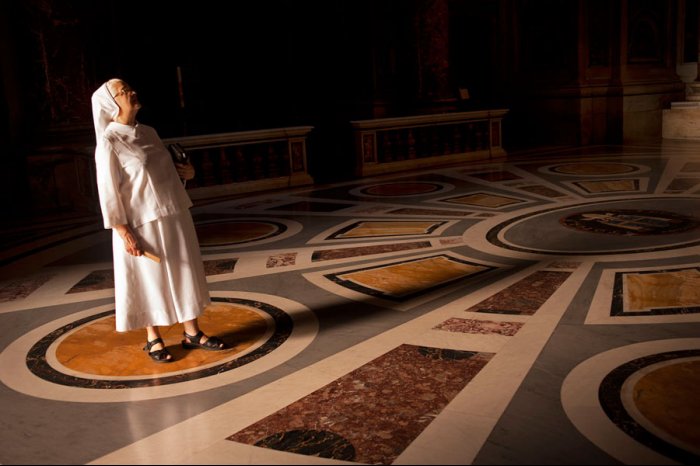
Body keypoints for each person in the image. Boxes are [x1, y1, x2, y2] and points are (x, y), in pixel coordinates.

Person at [91, 78, 227, 363]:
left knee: (184, 270)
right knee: (147, 280)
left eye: (130, 87)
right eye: (123, 91)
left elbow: (160, 176)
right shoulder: (109, 141)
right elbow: (109, 191)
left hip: (173, 213)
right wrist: (122, 230)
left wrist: (185, 174)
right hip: (141, 222)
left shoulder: (150, 132)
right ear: (110, 103)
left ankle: (192, 333)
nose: (132, 92)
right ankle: (153, 338)